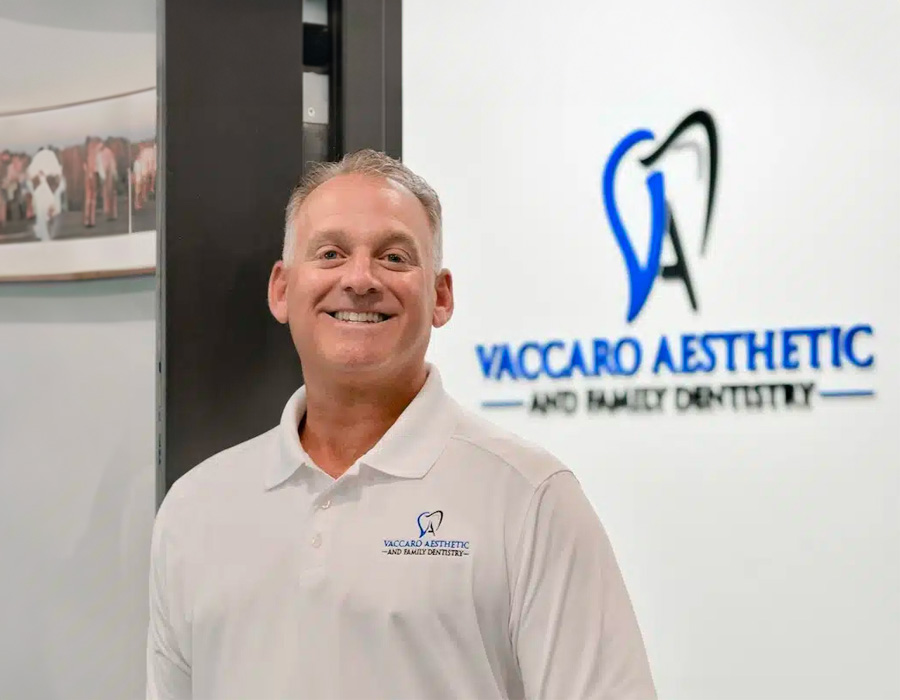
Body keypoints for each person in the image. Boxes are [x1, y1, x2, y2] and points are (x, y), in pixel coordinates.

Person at [146, 149, 657, 700]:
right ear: (281, 289)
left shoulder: (529, 499)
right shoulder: (195, 507)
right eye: (331, 253)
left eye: (393, 257)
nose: (360, 279)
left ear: (440, 296)